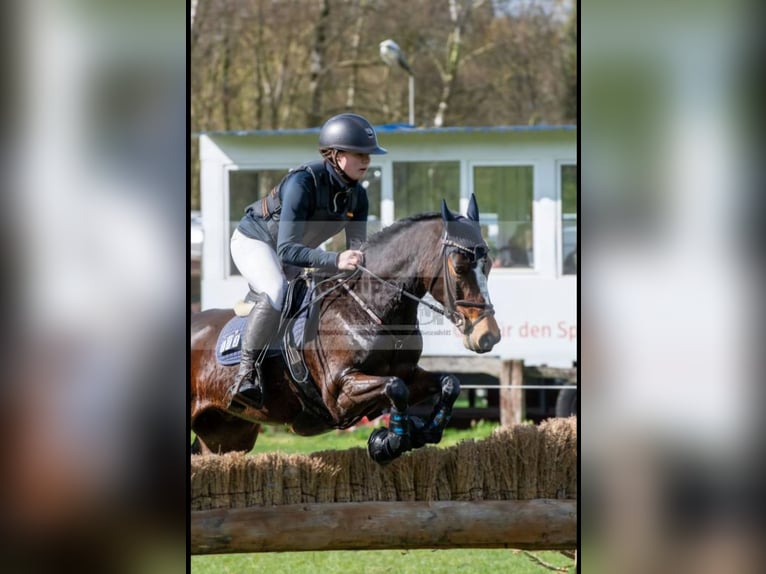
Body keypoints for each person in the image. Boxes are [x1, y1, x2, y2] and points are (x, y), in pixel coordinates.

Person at [227, 113, 387, 409]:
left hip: (294, 252)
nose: (367, 160)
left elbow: (357, 250)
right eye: (360, 154)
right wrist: (336, 258)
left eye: (369, 155)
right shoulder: (303, 182)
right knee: (276, 290)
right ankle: (245, 374)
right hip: (256, 242)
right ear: (337, 156)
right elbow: (287, 250)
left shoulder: (358, 197)